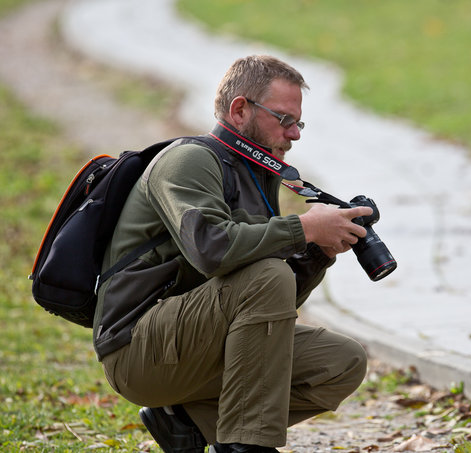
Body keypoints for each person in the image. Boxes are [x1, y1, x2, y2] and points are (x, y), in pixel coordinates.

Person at [93, 55, 371, 452]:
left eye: (299, 123)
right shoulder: (188, 160)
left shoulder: (256, 178)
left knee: (341, 362)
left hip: (198, 346)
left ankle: (186, 422)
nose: (294, 135)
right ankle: (246, 445)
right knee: (268, 274)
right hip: (138, 350)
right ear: (240, 109)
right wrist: (304, 228)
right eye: (284, 119)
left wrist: (317, 253)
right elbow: (211, 250)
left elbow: (266, 305)